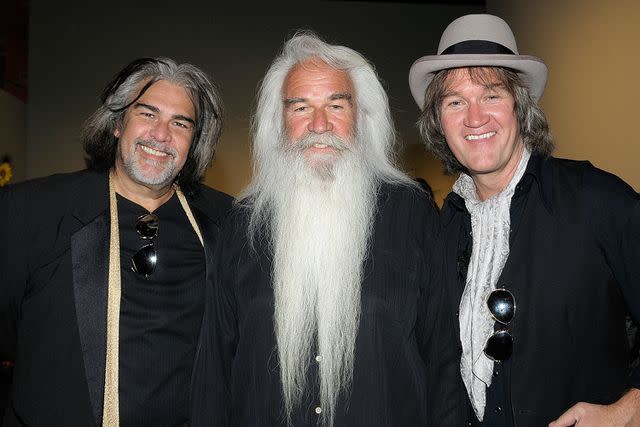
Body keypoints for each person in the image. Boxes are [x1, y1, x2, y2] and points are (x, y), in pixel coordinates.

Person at [193, 32, 462, 426]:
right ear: (278, 123)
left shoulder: (413, 214)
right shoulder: (242, 223)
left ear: (363, 117)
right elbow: (214, 368)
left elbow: (444, 359)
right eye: (300, 107)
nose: (319, 124)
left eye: (337, 105)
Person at [409, 13, 640, 427]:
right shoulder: (441, 231)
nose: (474, 118)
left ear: (520, 104)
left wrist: (627, 412)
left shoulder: (595, 200)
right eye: (455, 101)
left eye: (492, 95)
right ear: (439, 123)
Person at [0, 57, 232, 426]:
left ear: (194, 142)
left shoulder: (227, 223)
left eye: (180, 123)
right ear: (117, 124)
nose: (161, 134)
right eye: (148, 113)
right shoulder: (32, 212)